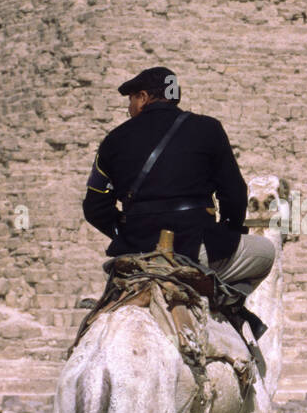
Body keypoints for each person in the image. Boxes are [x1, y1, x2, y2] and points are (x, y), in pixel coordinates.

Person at [82, 66, 275, 293]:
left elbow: (94, 207)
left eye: (130, 99)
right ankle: (221, 300)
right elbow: (235, 194)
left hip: (137, 252)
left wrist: (126, 233)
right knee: (265, 252)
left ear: (143, 97)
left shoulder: (113, 140)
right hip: (194, 250)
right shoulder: (208, 129)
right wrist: (225, 236)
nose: (129, 107)